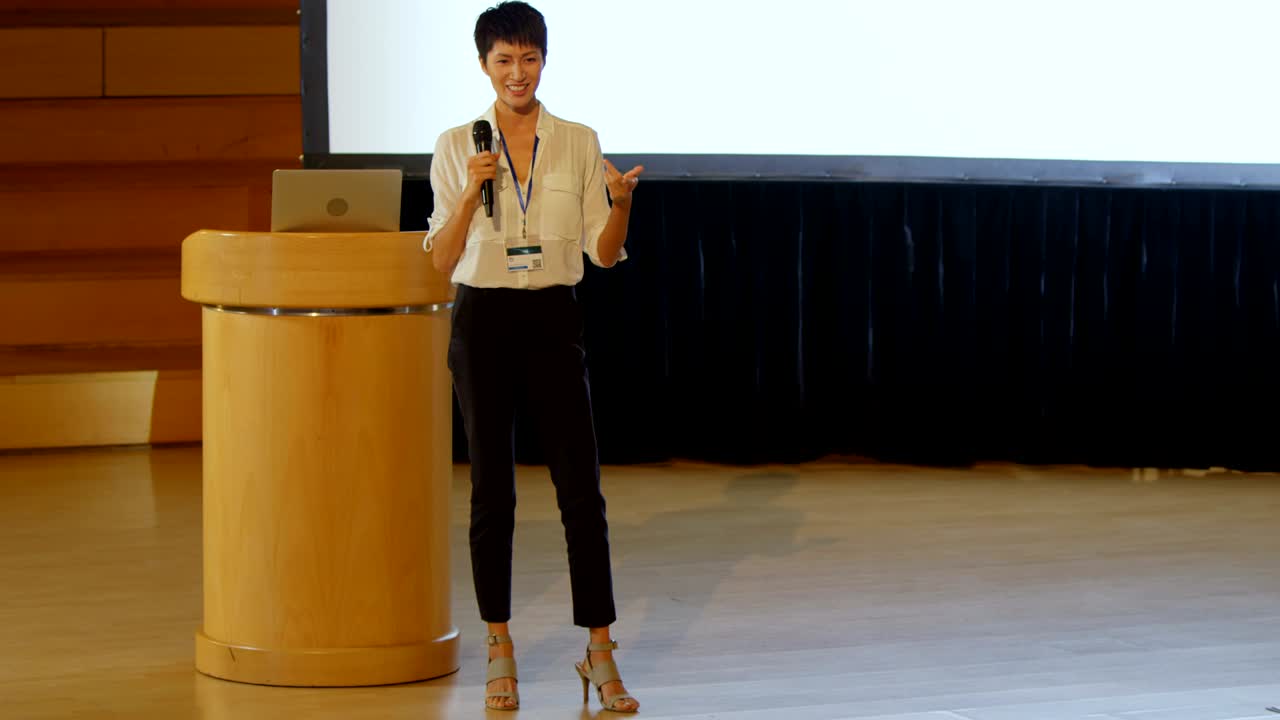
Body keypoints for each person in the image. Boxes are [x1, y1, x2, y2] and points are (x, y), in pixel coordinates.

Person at [423, 1, 643, 712]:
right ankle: (499, 645)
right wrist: (469, 191)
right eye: (504, 60)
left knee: (581, 491)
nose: (518, 72)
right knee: (492, 491)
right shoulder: (455, 145)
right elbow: (441, 260)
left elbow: (603, 255)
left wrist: (620, 204)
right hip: (482, 319)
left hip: (553, 317)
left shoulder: (578, 141)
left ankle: (600, 651)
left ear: (544, 61)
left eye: (529, 58)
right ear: (484, 65)